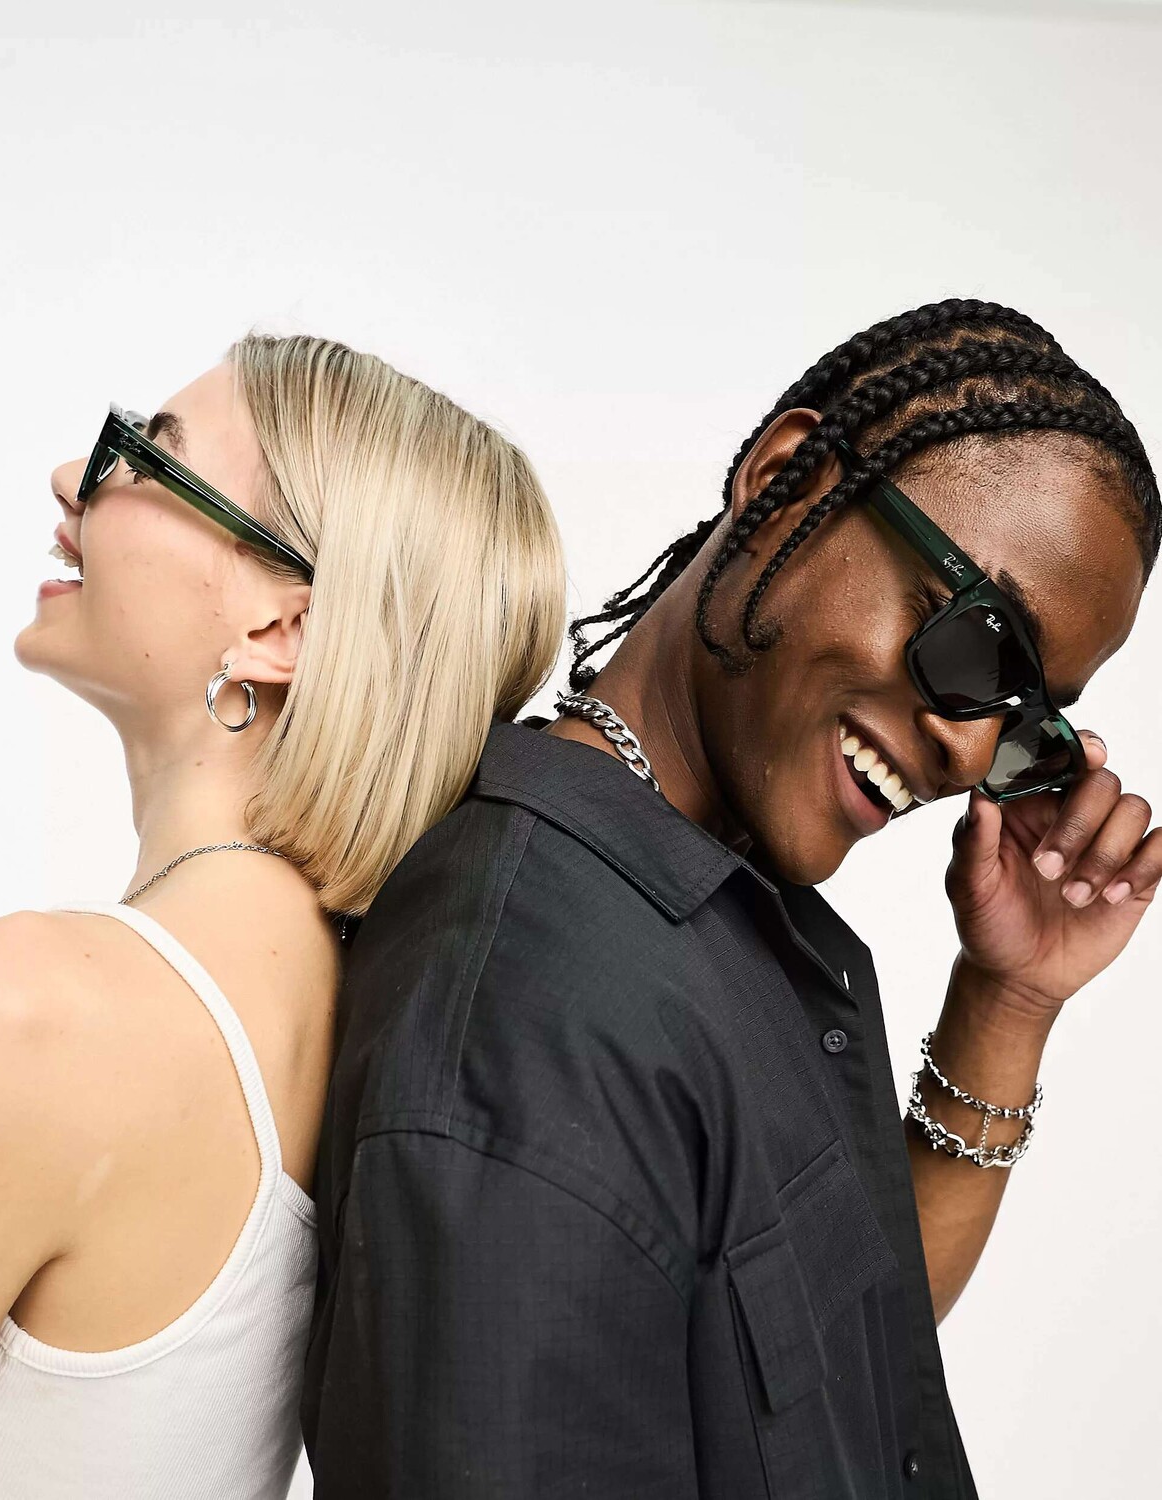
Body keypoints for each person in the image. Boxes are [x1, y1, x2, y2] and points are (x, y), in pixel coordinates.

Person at [303, 299, 1161, 1499]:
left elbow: (823, 1365)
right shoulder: (528, 1002)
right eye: (976, 647)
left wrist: (1005, 1003)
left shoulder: (711, 908)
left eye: (1025, 722)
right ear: (785, 479)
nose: (969, 753)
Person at [0, 333, 565, 1500]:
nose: (68, 481)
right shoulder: (366, 1019)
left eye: (146, 455)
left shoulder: (43, 1010)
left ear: (279, 631)